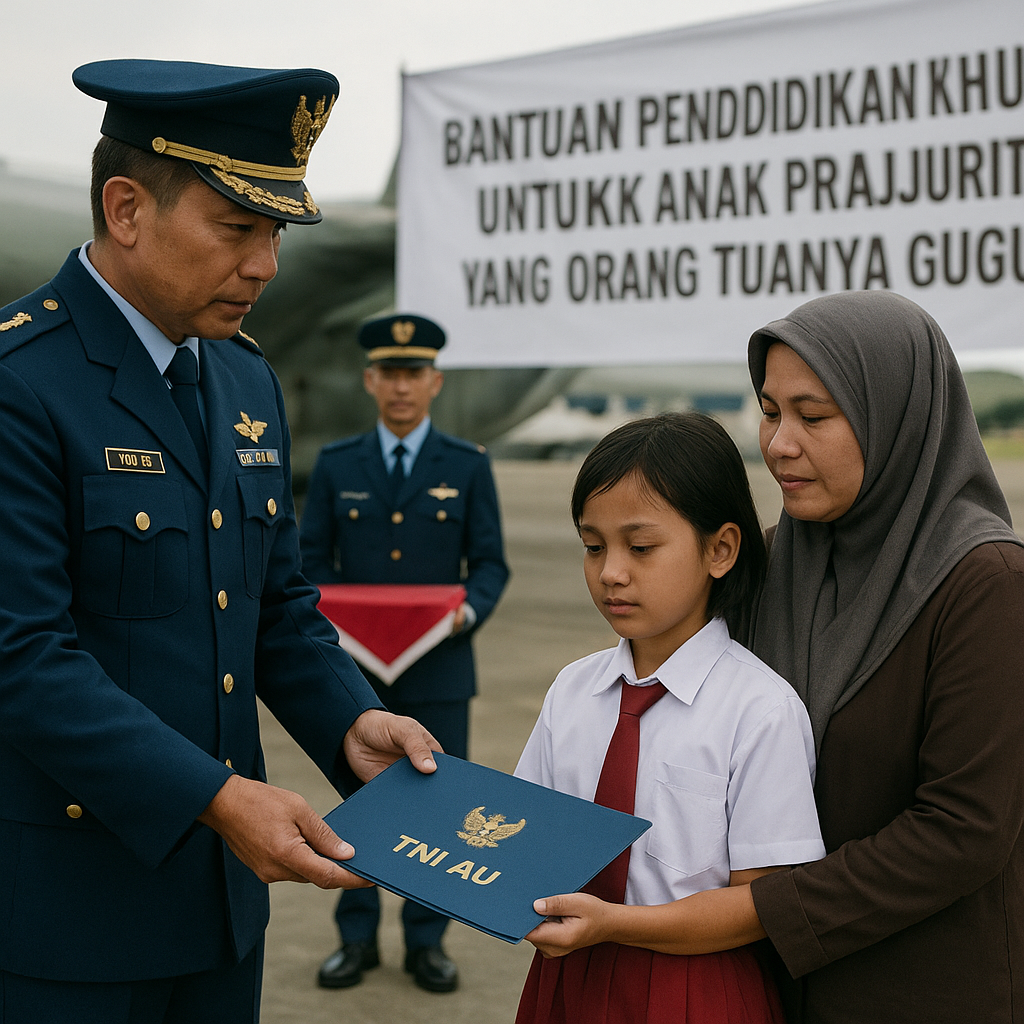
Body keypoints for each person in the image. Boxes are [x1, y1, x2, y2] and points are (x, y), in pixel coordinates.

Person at [0, 60, 440, 1024]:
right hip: (69, 921)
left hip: (219, 916)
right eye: (236, 229)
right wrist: (218, 797)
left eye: (275, 234)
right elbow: (22, 657)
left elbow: (275, 606)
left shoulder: (245, 382)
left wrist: (347, 723)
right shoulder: (20, 383)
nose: (265, 266)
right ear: (126, 209)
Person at [513, 412, 825, 1024]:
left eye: (642, 547)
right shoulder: (572, 690)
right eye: (593, 546)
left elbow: (765, 901)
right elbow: (527, 837)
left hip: (696, 986)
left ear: (721, 549)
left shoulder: (760, 709)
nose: (610, 573)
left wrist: (617, 924)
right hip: (565, 979)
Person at [299, 313, 509, 993]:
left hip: (441, 667)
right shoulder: (336, 466)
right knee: (361, 801)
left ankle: (427, 942)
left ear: (435, 381)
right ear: (369, 380)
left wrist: (466, 614)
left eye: (413, 373)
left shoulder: (468, 465)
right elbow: (307, 564)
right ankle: (355, 938)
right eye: (388, 373)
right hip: (356, 673)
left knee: (441, 810)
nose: (401, 386)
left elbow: (490, 565)